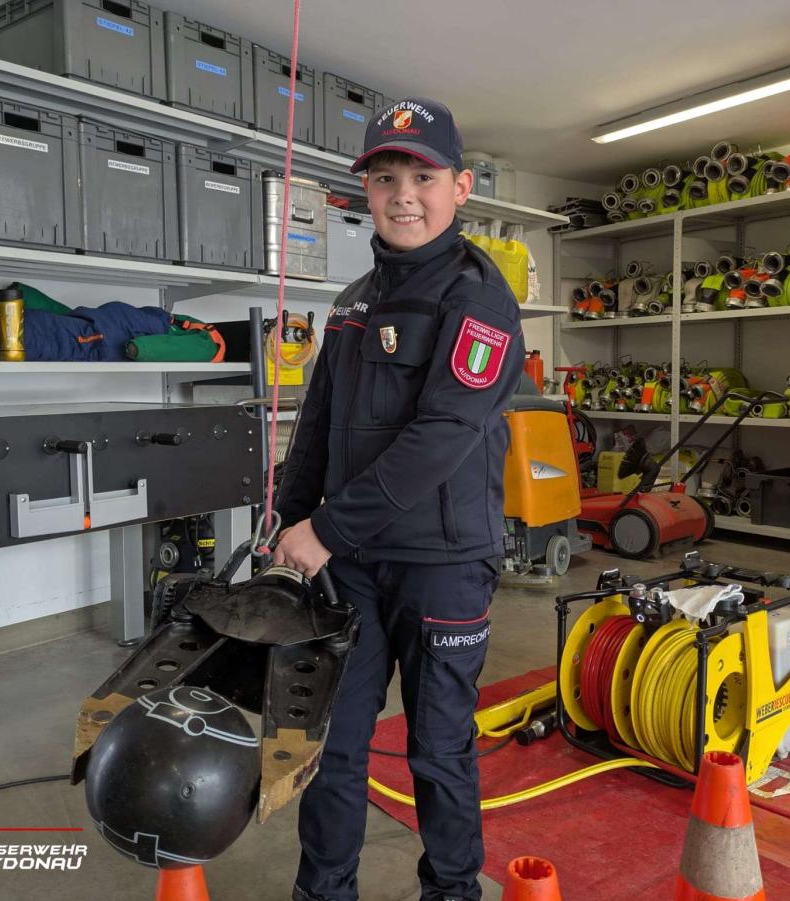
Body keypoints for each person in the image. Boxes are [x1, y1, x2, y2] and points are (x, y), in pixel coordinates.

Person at [272, 97, 525, 901]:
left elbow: (443, 435)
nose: (404, 195)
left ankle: (451, 892)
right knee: (332, 745)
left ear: (461, 187)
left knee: (438, 749)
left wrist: (325, 527)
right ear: (367, 192)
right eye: (386, 178)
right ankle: (324, 892)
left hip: (442, 564)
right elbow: (318, 421)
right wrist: (289, 518)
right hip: (351, 564)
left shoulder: (479, 298)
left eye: (423, 177)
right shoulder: (353, 300)